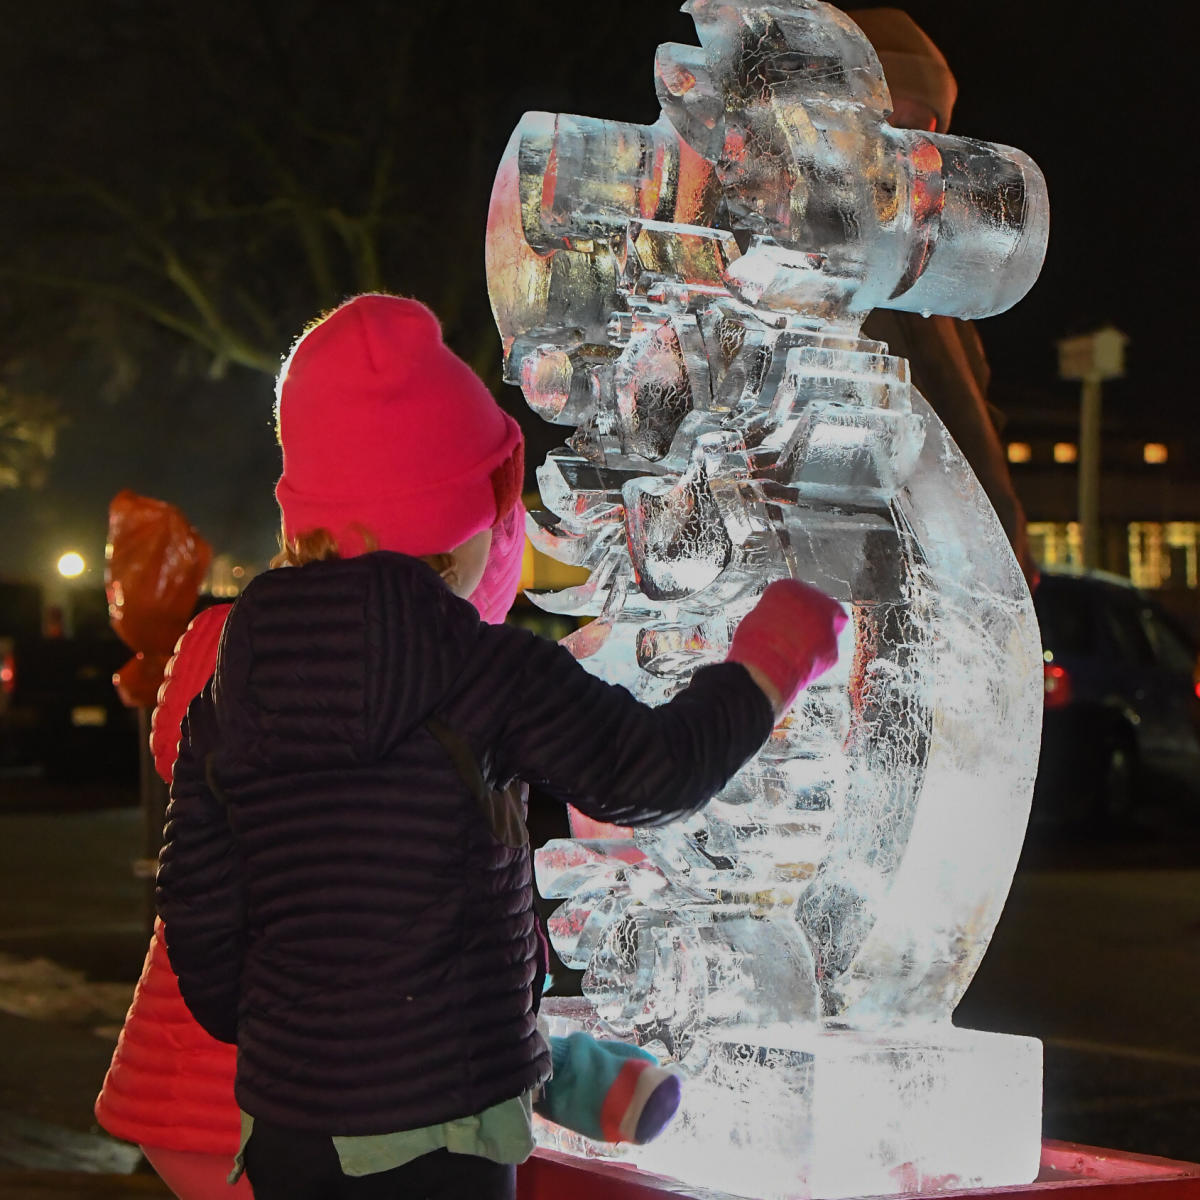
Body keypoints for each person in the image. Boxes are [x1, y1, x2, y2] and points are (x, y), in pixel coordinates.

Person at [154, 294, 847, 1200]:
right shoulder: (480, 667)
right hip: (443, 1128)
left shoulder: (237, 681)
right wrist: (768, 662)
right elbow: (655, 773)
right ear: (475, 507)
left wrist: (297, 1034)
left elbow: (198, 910)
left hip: (290, 1127)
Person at [849, 7, 1037, 587]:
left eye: (923, 138)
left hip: (946, 581)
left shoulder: (943, 292)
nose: (906, 162)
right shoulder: (805, 265)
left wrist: (1006, 538)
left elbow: (971, 424)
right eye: (889, 130)